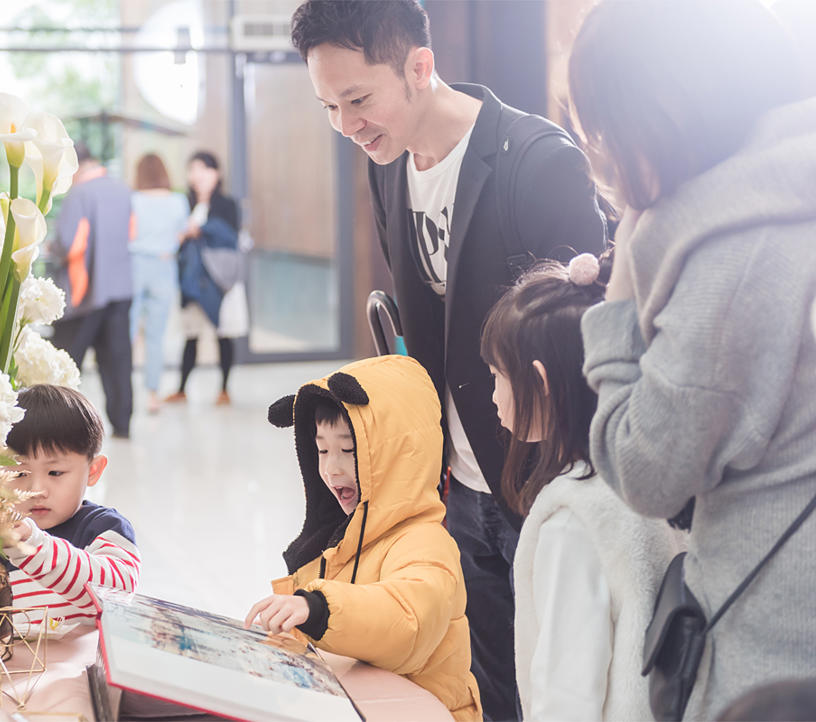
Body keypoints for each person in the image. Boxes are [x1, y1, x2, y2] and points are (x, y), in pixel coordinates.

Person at [289, 2, 606, 718]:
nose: (346, 124)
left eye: (359, 100)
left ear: (420, 67)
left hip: (543, 485)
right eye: (328, 106)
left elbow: (585, 337)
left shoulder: (538, 160)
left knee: (563, 688)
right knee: (491, 686)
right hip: (460, 489)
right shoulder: (390, 166)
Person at [568, 1, 816, 718]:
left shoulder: (732, 254)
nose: (604, 156)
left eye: (603, 130)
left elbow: (645, 469)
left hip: (772, 660)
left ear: (658, 112)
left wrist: (617, 304)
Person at [480, 257, 680, 721]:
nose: (491, 396)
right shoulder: (643, 477)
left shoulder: (572, 521)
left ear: (540, 381)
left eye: (496, 376)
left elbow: (566, 695)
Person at [246, 355, 480, 721]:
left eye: (349, 451)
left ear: (397, 455)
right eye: (322, 450)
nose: (332, 467)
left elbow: (408, 620)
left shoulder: (425, 542)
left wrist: (318, 609)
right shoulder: (339, 543)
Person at [2, 384, 141, 624]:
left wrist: (33, 546)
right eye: (19, 474)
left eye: (55, 472)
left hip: (83, 662)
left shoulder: (104, 529)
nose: (36, 490)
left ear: (93, 470)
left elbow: (119, 593)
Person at [50, 144, 134, 439]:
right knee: (118, 361)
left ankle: (60, 426)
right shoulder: (123, 190)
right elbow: (132, 234)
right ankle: (122, 424)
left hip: (84, 293)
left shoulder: (80, 194)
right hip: (121, 289)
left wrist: (51, 247)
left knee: (66, 362)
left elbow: (70, 244)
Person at [165, 151, 248, 407]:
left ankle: (224, 389)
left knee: (223, 334)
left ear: (216, 173)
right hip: (193, 280)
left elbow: (231, 237)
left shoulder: (227, 204)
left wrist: (199, 230)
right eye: (193, 169)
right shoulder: (184, 204)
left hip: (220, 279)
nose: (197, 175)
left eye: (203, 169)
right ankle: (181, 389)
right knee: (191, 334)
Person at [130, 153, 190, 414]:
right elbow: (183, 233)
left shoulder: (133, 201)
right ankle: (152, 395)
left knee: (127, 334)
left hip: (134, 265)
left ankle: (125, 393)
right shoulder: (178, 201)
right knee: (155, 336)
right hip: (165, 266)